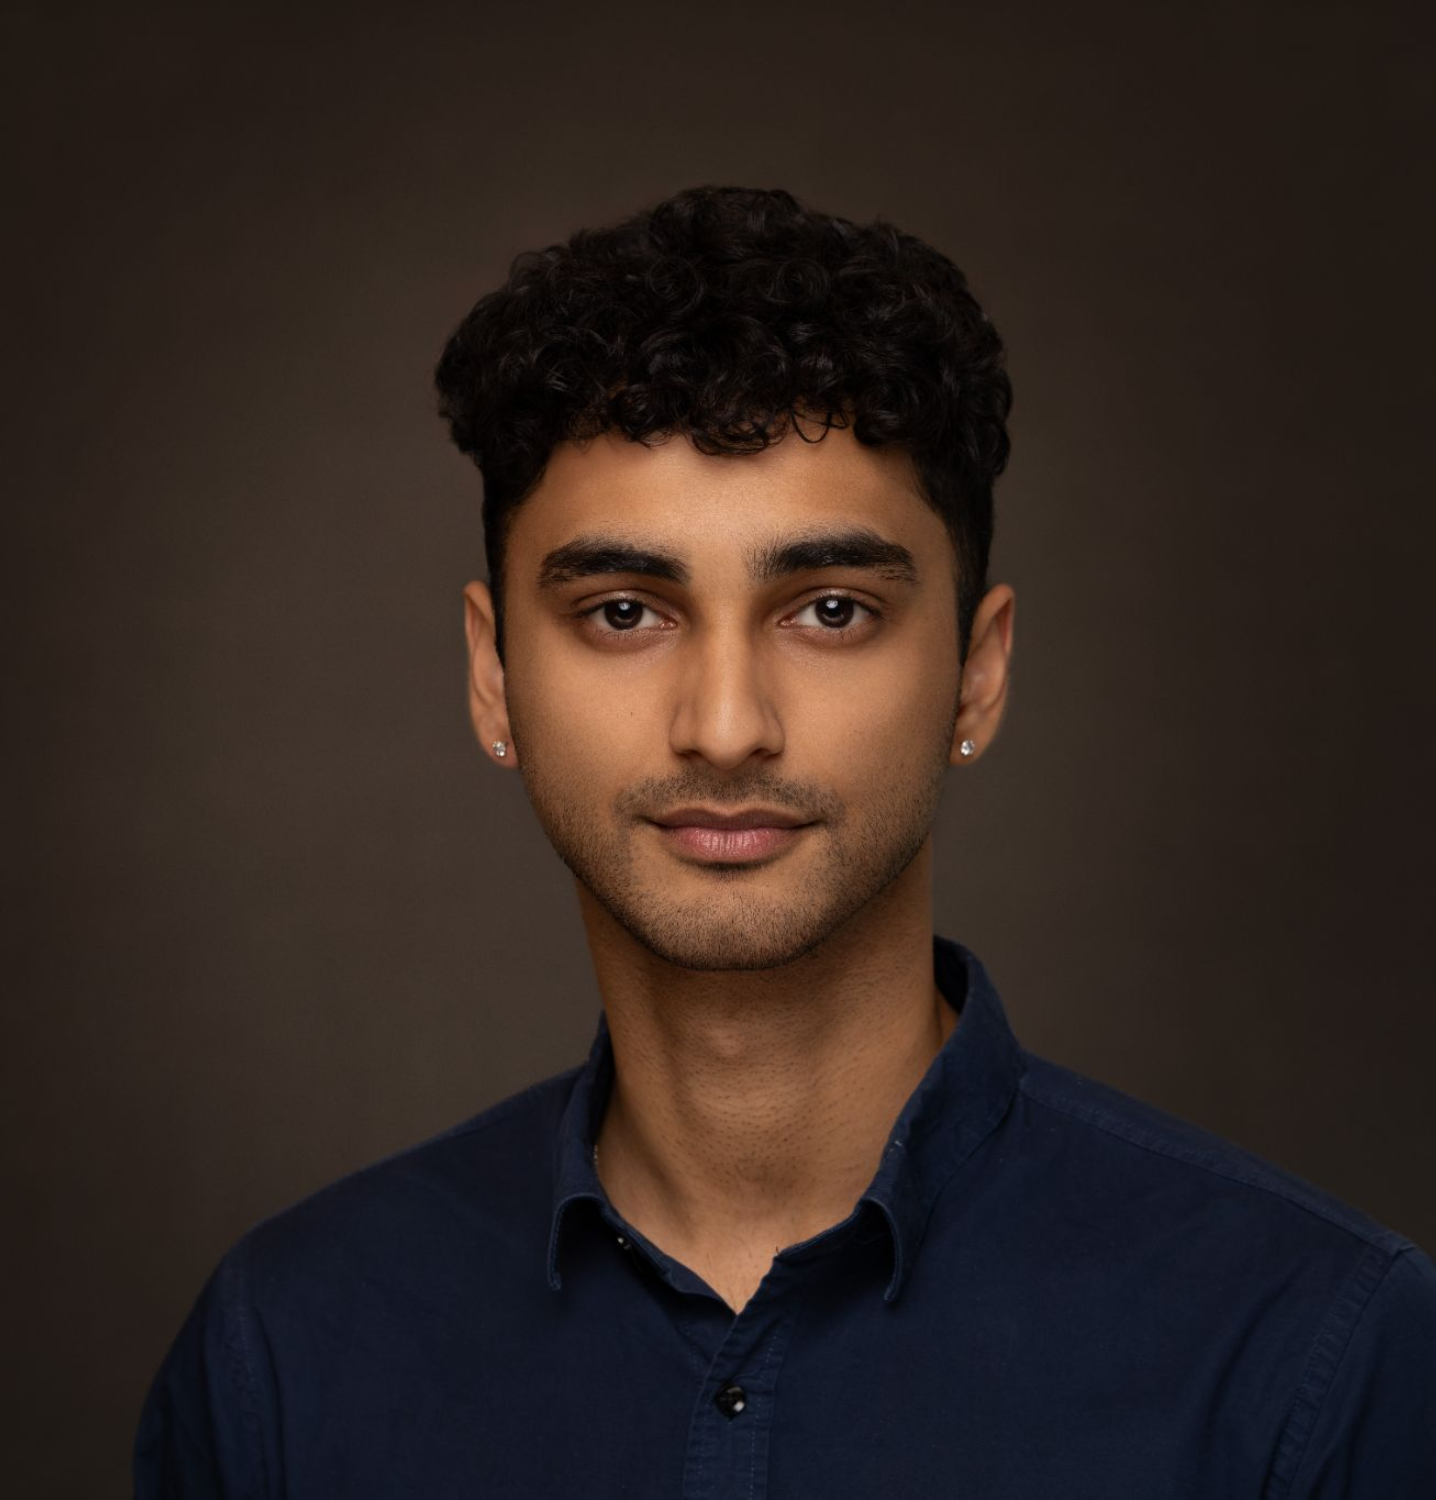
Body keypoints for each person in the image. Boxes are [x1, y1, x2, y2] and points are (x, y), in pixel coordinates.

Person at [134, 185, 1436, 1498]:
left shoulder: (1313, 1355)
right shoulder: (288, 1354)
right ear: (492, 677)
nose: (724, 725)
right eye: (625, 612)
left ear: (977, 676)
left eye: (827, 609)